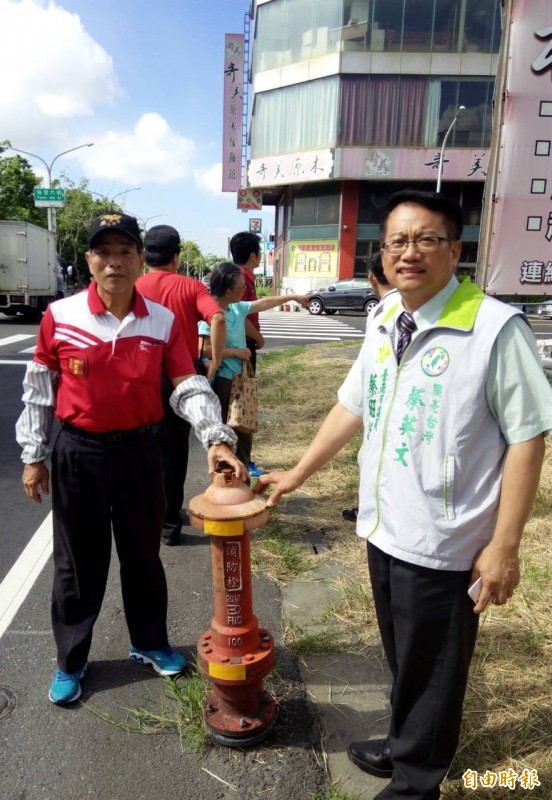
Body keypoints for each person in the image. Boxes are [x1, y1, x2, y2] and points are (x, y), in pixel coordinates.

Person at [254, 190, 552, 800]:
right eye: (396, 241)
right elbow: (351, 406)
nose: (408, 252)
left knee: (436, 668)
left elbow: (528, 438)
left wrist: (506, 545)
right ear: (383, 253)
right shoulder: (386, 315)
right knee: (405, 654)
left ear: (455, 250)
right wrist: (297, 475)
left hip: (447, 539)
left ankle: (418, 781)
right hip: (386, 526)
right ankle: (404, 741)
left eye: (425, 239)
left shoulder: (496, 328)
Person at [16, 212, 245, 706]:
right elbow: (39, 392)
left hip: (143, 453)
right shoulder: (61, 316)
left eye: (125, 251)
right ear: (89, 261)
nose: (114, 262)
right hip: (79, 454)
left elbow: (186, 383)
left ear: (141, 259)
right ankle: (71, 660)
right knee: (78, 564)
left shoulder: (159, 321)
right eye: (104, 252)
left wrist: (215, 437)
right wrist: (34, 456)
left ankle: (148, 643)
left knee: (143, 555)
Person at [136, 224, 226, 546]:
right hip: (181, 379)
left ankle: (161, 514)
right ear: (177, 256)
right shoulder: (191, 287)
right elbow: (217, 317)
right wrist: (214, 360)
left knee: (147, 449)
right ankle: (168, 521)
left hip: (141, 380)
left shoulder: (133, 286)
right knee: (174, 451)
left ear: (145, 256)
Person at [199, 261, 307, 468]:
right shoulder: (209, 314)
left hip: (241, 380)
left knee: (244, 428)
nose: (245, 291)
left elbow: (265, 303)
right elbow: (203, 349)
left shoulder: (236, 308)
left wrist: (294, 297)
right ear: (229, 291)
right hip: (223, 381)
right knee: (226, 433)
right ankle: (226, 481)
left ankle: (242, 474)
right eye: (242, 288)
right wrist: (235, 352)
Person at [342, 252, 395, 522]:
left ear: (372, 279)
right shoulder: (392, 310)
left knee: (372, 456)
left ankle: (368, 507)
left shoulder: (380, 312)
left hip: (377, 399)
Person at [229, 231, 264, 477]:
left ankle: (240, 459)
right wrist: (259, 339)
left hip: (241, 348)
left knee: (239, 403)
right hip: (243, 349)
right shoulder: (242, 279)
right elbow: (241, 316)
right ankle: (242, 461)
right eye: (260, 252)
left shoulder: (238, 276)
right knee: (243, 404)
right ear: (253, 255)